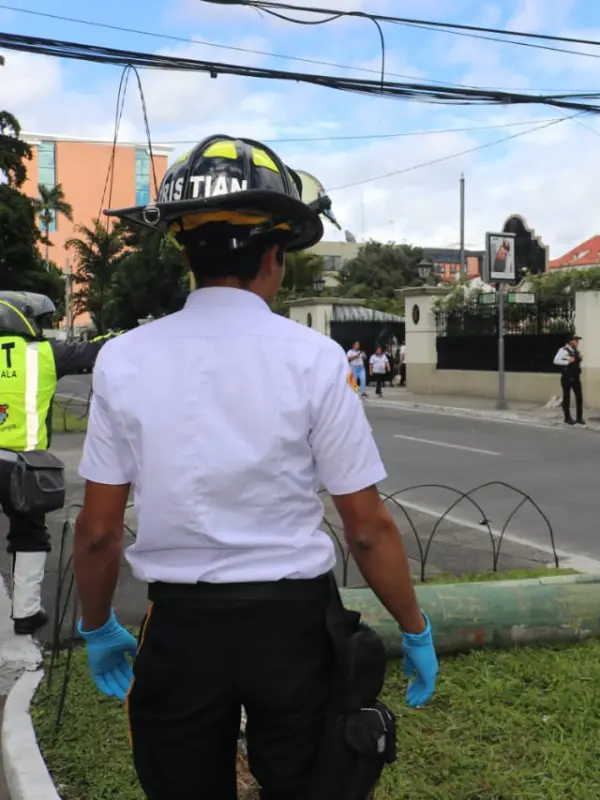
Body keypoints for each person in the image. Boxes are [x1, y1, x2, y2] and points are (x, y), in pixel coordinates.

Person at [76, 134, 438, 800]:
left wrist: (98, 625)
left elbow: (98, 531)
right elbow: (367, 527)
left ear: (186, 252)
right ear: (275, 256)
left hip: (181, 628)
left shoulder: (123, 360)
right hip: (292, 628)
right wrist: (414, 626)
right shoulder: (316, 359)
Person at [0, 291, 115, 635]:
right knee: (30, 534)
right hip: (22, 465)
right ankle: (25, 613)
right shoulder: (44, 354)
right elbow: (98, 348)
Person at [553, 333, 584, 425]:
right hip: (567, 377)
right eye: (576, 340)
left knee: (579, 397)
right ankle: (567, 418)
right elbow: (555, 360)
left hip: (576, 377)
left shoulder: (576, 351)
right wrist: (567, 362)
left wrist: (580, 359)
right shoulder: (563, 350)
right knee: (567, 398)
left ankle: (579, 417)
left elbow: (576, 362)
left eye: (578, 340)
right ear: (570, 341)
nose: (577, 342)